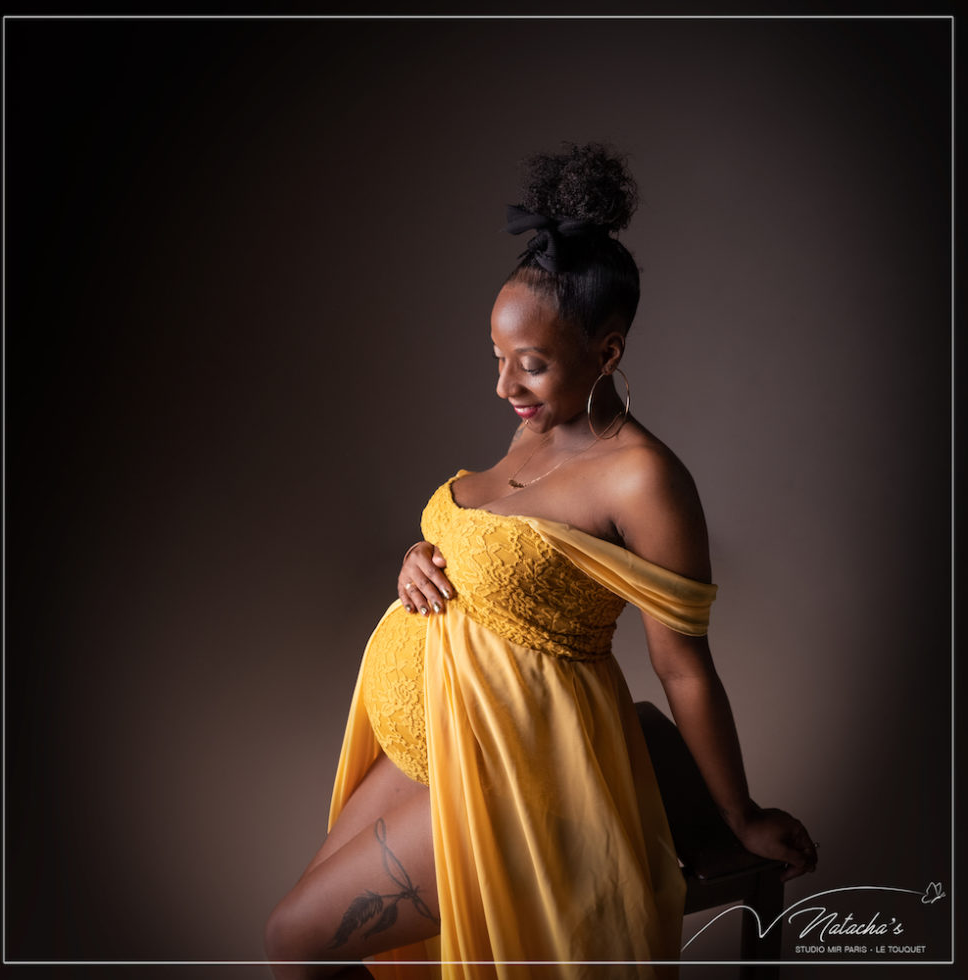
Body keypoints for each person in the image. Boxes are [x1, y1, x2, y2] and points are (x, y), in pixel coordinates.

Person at [265, 143, 817, 980]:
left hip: (517, 768)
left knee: (292, 941)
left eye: (531, 365)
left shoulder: (644, 479)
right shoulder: (536, 426)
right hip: (432, 740)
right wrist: (420, 557)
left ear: (608, 352)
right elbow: (499, 541)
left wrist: (740, 815)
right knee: (301, 937)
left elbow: (683, 668)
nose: (505, 387)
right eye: (497, 357)